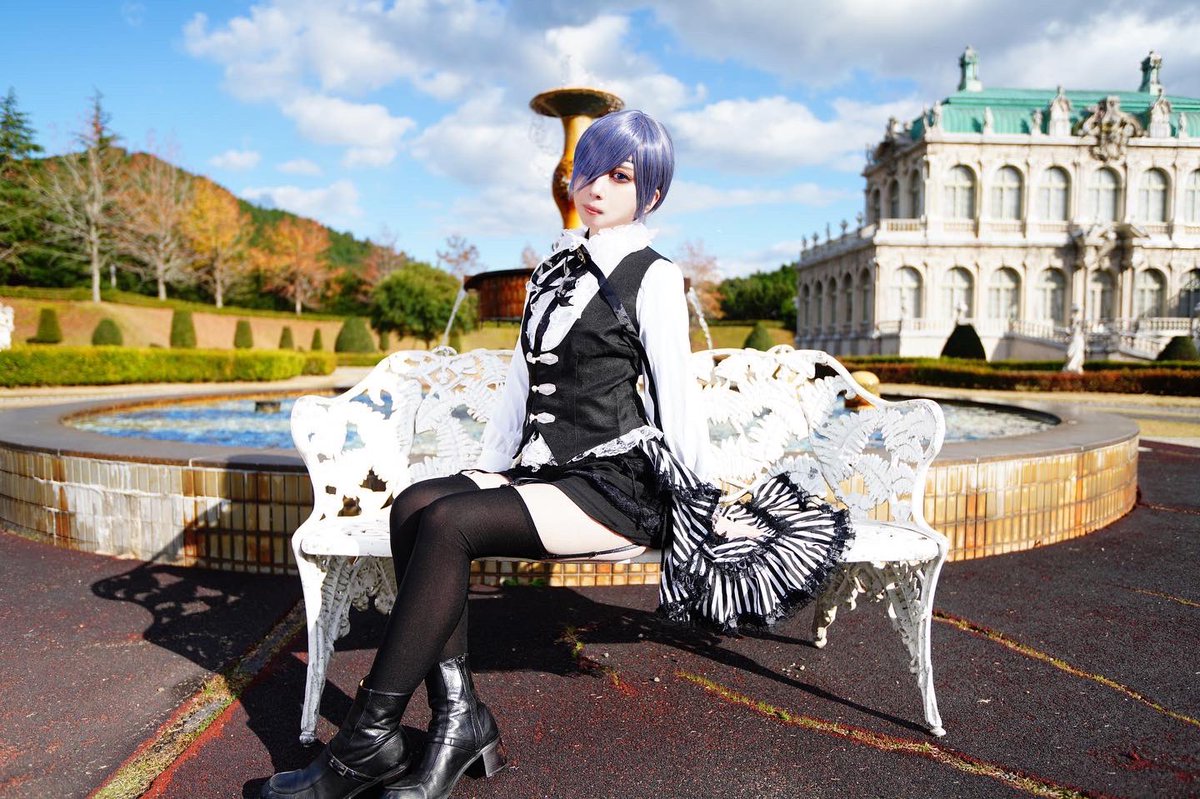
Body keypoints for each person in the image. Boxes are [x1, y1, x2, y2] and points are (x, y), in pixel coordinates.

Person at [261, 109, 851, 799]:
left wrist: (701, 506)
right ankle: (458, 720)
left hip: (616, 485)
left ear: (652, 193)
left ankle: (366, 741)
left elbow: (677, 400)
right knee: (418, 503)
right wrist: (490, 467)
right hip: (547, 474)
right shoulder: (551, 270)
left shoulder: (654, 276)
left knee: (449, 523)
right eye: (589, 169)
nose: (596, 186)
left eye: (620, 176)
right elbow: (519, 384)